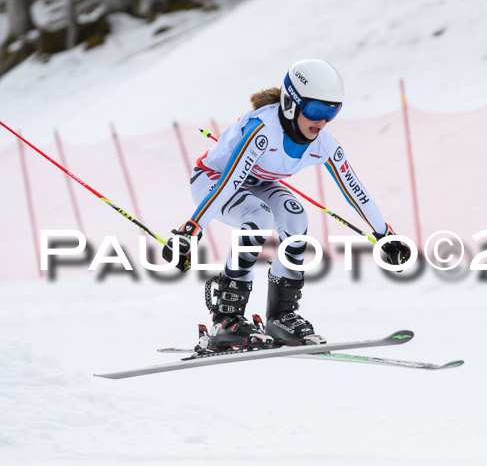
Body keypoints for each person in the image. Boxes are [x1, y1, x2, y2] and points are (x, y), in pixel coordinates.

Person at [163, 59, 411, 348]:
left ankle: (281, 316)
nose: (321, 121)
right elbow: (230, 180)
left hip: (257, 182)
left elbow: (355, 189)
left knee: (296, 217)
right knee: (259, 217)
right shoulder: (263, 129)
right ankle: (226, 318)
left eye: (331, 112)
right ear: (292, 104)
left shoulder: (323, 143)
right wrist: (191, 229)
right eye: (315, 110)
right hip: (213, 180)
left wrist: (385, 235)